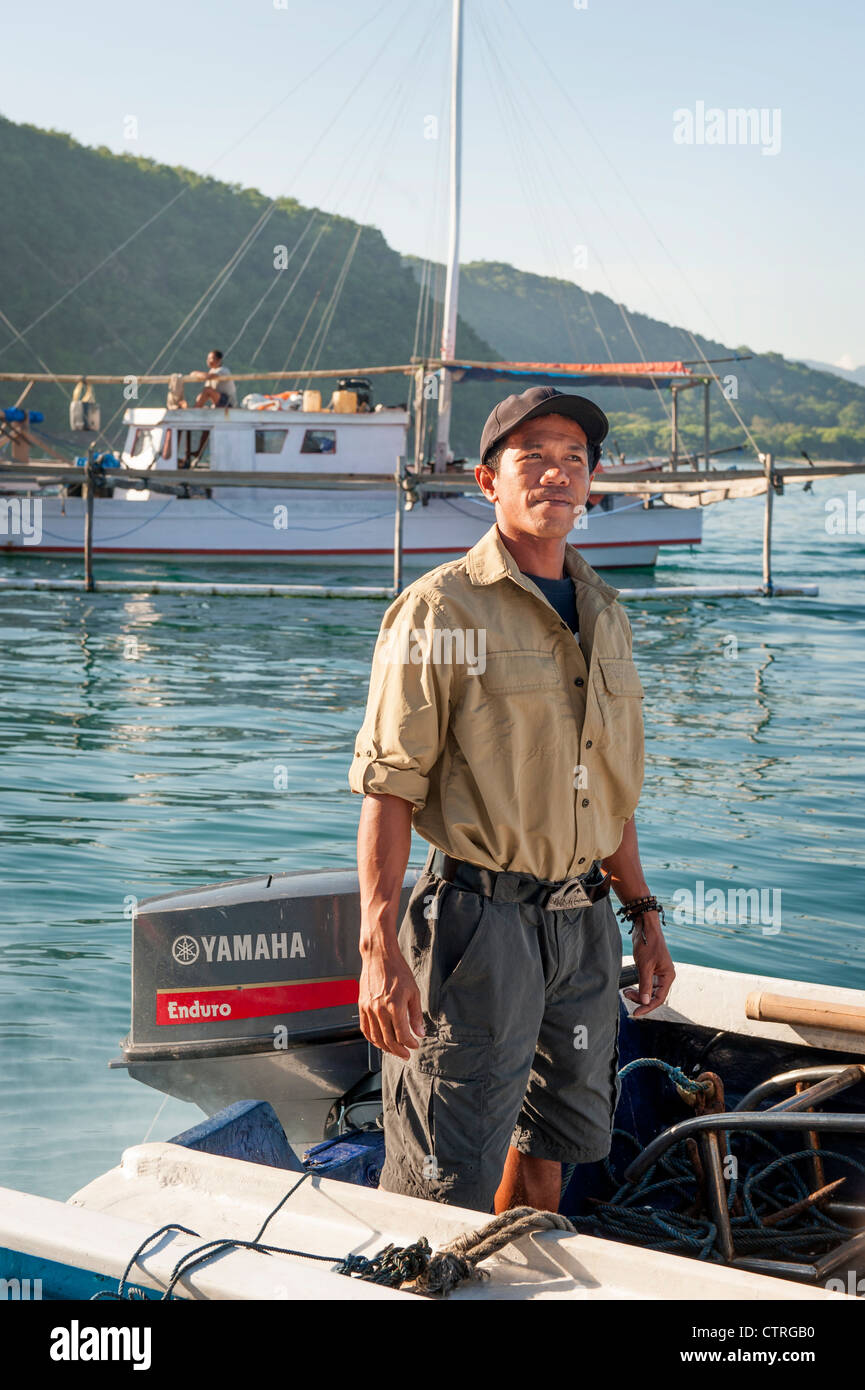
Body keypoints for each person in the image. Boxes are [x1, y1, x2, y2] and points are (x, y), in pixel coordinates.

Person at [349, 385, 676, 1216]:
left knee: (554, 1146)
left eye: (574, 459)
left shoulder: (603, 609)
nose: (556, 475)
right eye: (532, 457)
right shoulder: (438, 608)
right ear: (486, 480)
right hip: (475, 923)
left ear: (591, 483)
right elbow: (389, 787)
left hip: (583, 922)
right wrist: (378, 950)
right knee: (442, 1175)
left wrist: (642, 914)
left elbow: (608, 785)